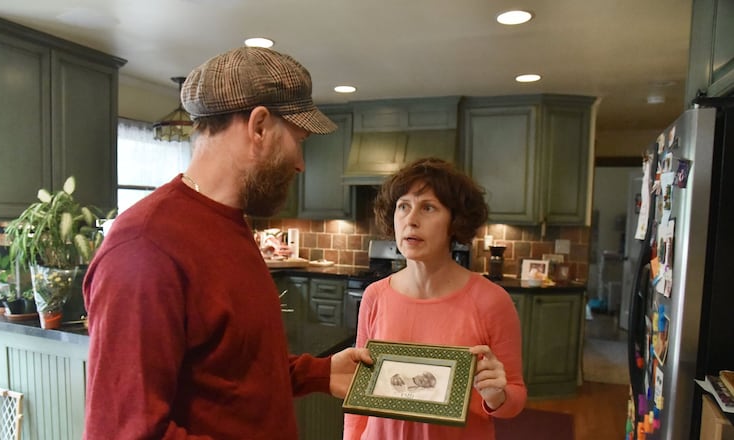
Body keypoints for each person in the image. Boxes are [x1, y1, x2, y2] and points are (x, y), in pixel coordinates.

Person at [83, 46, 372, 439]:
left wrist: (319, 372)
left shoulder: (231, 225)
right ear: (259, 126)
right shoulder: (145, 247)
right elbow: (122, 432)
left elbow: (235, 370)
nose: (301, 162)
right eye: (298, 139)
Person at [343, 158, 526, 440]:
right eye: (403, 206)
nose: (411, 219)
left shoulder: (491, 301)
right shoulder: (375, 296)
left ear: (455, 222)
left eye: (428, 207)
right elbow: (360, 393)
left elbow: (514, 399)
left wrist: (496, 396)